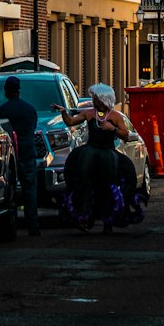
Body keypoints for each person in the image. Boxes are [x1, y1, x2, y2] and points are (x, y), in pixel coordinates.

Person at [55, 84, 137, 231]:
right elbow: (71, 122)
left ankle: (108, 221)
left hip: (108, 152)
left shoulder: (115, 116)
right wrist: (63, 112)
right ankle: (85, 216)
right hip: (91, 150)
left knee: (109, 183)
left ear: (105, 99)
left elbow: (126, 135)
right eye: (94, 97)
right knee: (85, 181)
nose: (94, 100)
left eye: (97, 98)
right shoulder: (89, 113)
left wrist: (112, 128)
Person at [0, 75, 41, 236]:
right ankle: (33, 226)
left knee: (10, 191)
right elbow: (32, 128)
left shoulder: (2, 111)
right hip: (28, 152)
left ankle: (10, 226)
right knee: (30, 190)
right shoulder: (30, 110)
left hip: (10, 154)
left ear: (7, 91)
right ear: (19, 90)